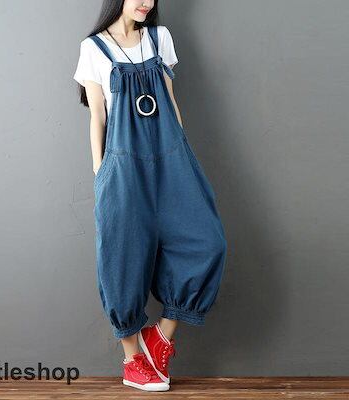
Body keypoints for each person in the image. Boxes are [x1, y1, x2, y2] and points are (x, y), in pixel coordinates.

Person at [73, 0, 227, 392]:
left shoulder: (159, 39)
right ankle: (132, 361)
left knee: (208, 241)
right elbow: (97, 115)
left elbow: (170, 102)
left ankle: (159, 337)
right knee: (123, 256)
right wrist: (101, 172)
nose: (147, 2)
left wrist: (182, 149)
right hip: (122, 165)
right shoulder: (93, 48)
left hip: (172, 157)